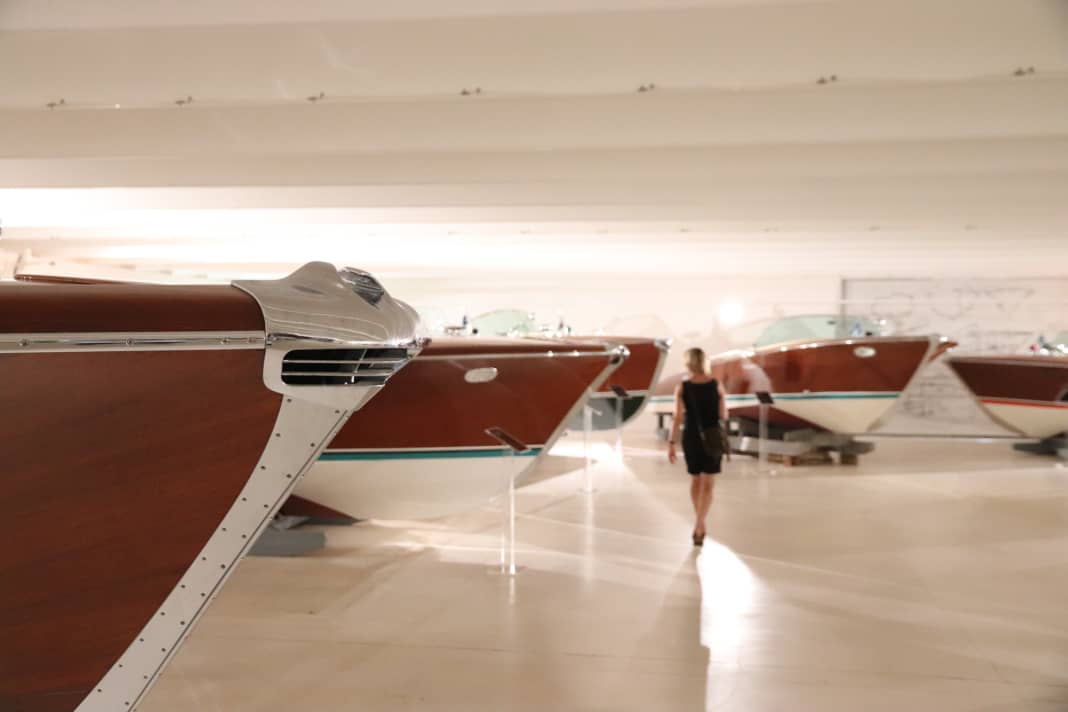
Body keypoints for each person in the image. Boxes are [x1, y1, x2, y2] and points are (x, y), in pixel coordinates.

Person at [667, 347, 728, 546]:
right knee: (708, 483)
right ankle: (700, 523)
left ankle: (699, 522)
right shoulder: (716, 384)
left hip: (691, 436)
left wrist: (671, 443)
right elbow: (723, 415)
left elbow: (677, 417)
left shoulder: (682, 387)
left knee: (695, 481)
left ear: (688, 363)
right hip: (712, 436)